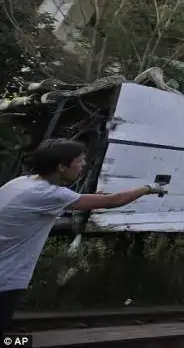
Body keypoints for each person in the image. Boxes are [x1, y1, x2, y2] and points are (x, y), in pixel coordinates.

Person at [0, 138, 168, 332]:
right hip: (6, 278)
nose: (84, 165)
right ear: (62, 167)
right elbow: (114, 201)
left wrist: (97, 197)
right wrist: (149, 188)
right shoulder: (50, 195)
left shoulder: (22, 182)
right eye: (79, 161)